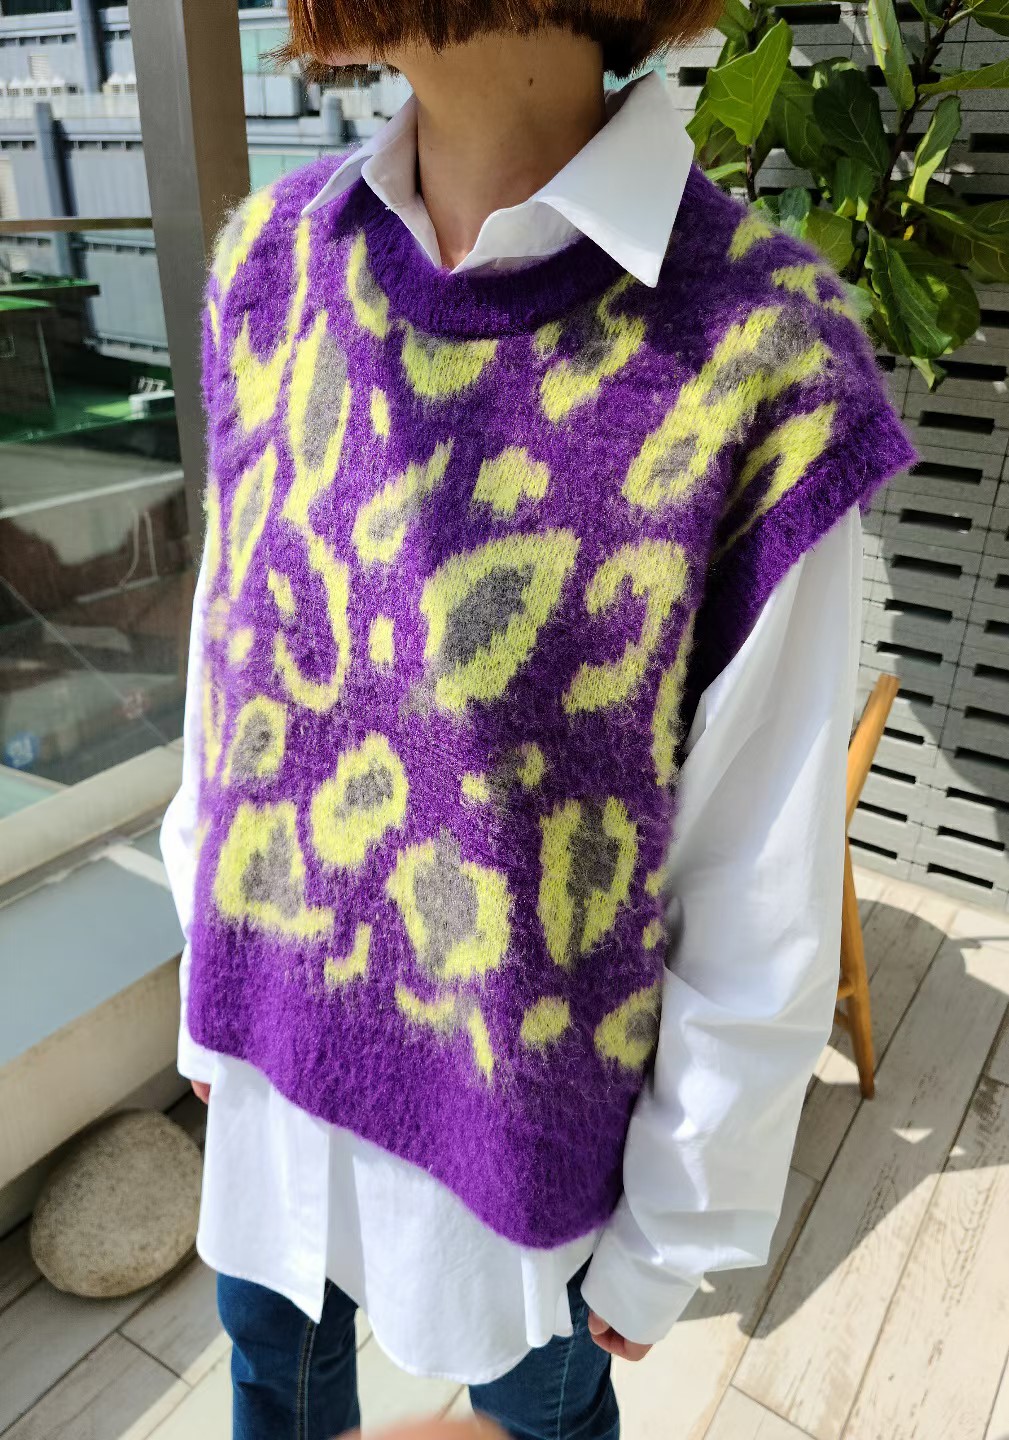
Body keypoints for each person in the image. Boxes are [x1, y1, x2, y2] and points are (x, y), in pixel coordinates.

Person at [160, 3, 917, 1437]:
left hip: (522, 1164)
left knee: (540, 1414)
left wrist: (673, 1227)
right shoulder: (271, 264)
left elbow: (755, 867)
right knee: (271, 1369)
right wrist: (212, 979)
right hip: (266, 1070)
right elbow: (228, 666)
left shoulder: (758, 357)